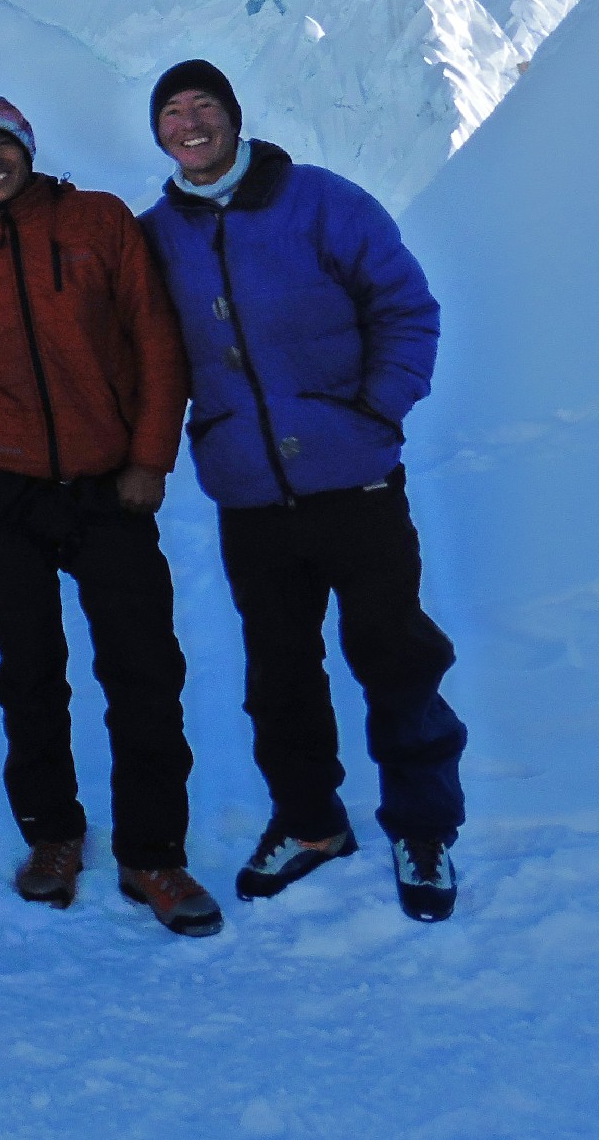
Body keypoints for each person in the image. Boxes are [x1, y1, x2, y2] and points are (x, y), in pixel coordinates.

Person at [138, 60, 466, 921]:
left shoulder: (321, 200)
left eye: (204, 105)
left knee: (396, 659)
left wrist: (375, 408)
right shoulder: (156, 235)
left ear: (236, 119)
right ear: (159, 135)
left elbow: (406, 305)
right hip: (250, 498)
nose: (190, 122)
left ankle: (423, 825)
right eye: (173, 112)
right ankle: (311, 821)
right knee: (279, 674)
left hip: (354, 483)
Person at [0, 94, 222, 938]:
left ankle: (154, 851)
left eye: (3, 144)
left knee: (144, 672)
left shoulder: (98, 222)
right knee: (29, 676)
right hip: (7, 498)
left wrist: (151, 458)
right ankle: (53, 838)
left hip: (109, 485)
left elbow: (156, 338)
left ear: (29, 149)